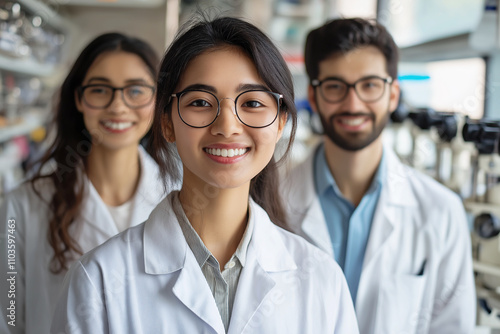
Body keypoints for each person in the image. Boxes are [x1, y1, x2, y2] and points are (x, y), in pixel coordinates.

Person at [50, 16, 359, 334]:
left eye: (252, 102)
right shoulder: (98, 279)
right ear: (167, 122)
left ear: (280, 123)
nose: (227, 126)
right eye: (200, 102)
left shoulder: (321, 279)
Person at [281, 18, 476, 333]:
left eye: (370, 85)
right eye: (335, 86)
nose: (353, 103)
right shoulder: (269, 201)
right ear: (314, 98)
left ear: (393, 95)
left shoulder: (441, 212)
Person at [0, 33, 178, 334]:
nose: (118, 106)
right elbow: (9, 317)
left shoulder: (181, 199)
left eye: (136, 90)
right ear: (79, 99)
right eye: (100, 90)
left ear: (157, 100)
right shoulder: (22, 205)